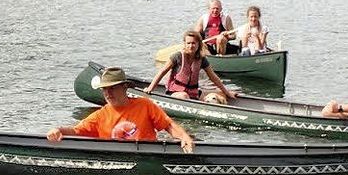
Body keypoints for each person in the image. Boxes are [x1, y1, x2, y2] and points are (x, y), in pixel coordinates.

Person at [47, 66, 196, 151]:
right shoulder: (100, 115)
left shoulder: (145, 105)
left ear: (124, 87)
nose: (107, 93)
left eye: (112, 88)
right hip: (117, 161)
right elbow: (76, 131)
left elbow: (168, 125)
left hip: (146, 158)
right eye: (105, 89)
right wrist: (58, 130)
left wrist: (184, 137)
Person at [146, 30, 238, 102]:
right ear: (185, 44)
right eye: (188, 43)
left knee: (218, 94)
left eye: (194, 43)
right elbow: (162, 72)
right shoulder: (177, 57)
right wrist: (150, 88)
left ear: (199, 44)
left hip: (193, 93)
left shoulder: (202, 59)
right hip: (175, 93)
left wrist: (227, 93)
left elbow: (214, 78)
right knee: (184, 96)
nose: (191, 46)